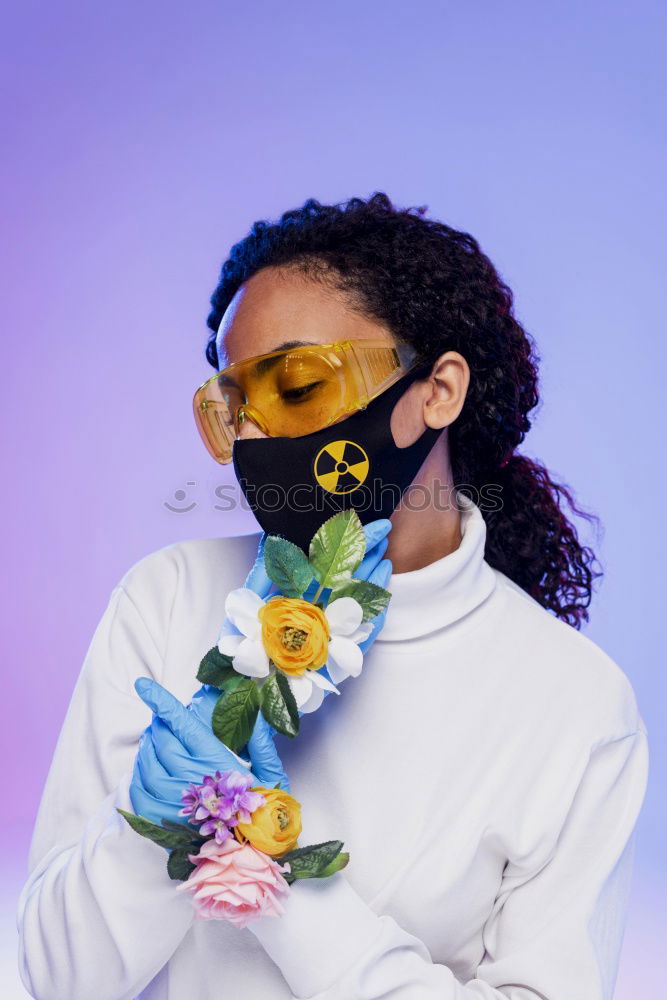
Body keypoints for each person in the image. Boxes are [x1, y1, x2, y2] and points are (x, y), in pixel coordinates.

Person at [17, 192, 649, 1000]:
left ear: (438, 391)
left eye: (297, 385)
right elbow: (59, 982)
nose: (251, 439)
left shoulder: (576, 706)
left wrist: (277, 866)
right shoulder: (168, 600)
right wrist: (148, 833)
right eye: (234, 406)